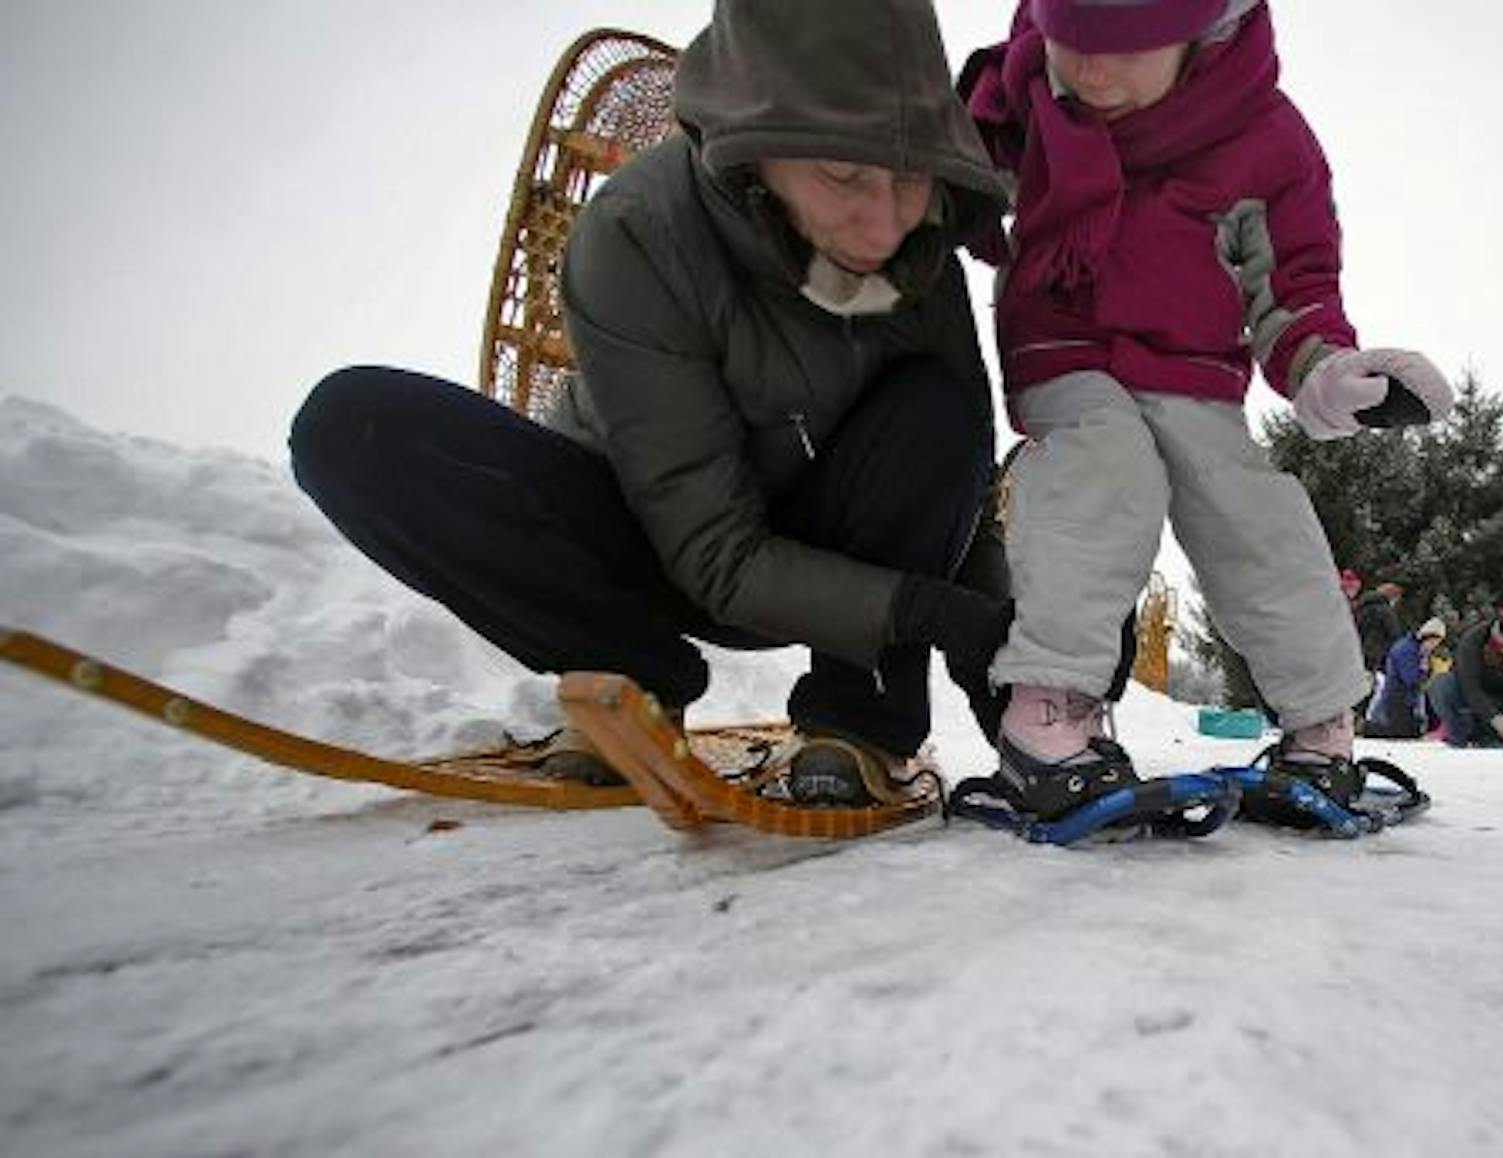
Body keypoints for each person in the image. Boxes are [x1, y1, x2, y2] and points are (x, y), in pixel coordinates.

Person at [287, 0, 1016, 802]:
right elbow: (714, 554)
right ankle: (632, 676)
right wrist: (930, 613)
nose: (883, 220)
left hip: (827, 549)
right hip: (645, 539)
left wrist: (1010, 659)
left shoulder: (918, 256)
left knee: (938, 405)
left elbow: (958, 476)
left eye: (908, 178)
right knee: (351, 427)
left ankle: (863, 720)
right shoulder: (637, 231)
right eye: (842, 176)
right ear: (754, 148)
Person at [961, 0, 1453, 815]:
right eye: (1069, 44)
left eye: (1121, 50)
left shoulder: (1266, 142)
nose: (1089, 72)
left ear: (1202, 34)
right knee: (1103, 469)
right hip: (1064, 346)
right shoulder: (1020, 99)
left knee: (1248, 509)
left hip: (1193, 370)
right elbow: (931, 178)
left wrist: (1326, 373)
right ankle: (1046, 718)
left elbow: (1293, 290)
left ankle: (1321, 728)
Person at [1428, 606, 1503, 749]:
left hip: (1502, 699)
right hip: (1467, 696)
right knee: (1441, 685)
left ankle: (1493, 733)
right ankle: (1460, 736)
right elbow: (1469, 685)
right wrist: (1493, 717)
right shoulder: (1473, 640)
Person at [1366, 618, 1449, 740]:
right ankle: (1365, 727)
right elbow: (1412, 679)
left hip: (1407, 700)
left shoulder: (1418, 650)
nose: (1434, 646)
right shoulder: (1406, 650)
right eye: (1433, 642)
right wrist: (1429, 672)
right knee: (1400, 732)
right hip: (1397, 699)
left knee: (1410, 731)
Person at [1353, 580, 1410, 679]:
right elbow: (1395, 636)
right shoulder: (1385, 612)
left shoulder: (1360, 607)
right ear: (1393, 597)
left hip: (1356, 653)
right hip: (1377, 658)